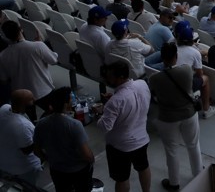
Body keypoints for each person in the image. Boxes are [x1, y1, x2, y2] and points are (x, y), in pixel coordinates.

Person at [148, 43, 202, 192]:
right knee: (193, 145)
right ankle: (198, 174)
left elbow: (153, 95)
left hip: (168, 117)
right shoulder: (185, 70)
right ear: (176, 56)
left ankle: (174, 183)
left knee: (171, 150)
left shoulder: (155, 79)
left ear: (162, 58)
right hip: (189, 114)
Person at [95, 62, 152, 192]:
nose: (107, 79)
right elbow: (131, 100)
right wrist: (114, 98)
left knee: (122, 179)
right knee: (143, 167)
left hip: (120, 147)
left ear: (120, 77)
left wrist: (99, 114)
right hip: (142, 140)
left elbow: (105, 127)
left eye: (110, 76)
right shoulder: (142, 84)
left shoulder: (115, 102)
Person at [34, 87, 95, 192]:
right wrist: (92, 159)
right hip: (78, 171)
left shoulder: (41, 123)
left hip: (57, 170)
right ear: (66, 104)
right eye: (72, 99)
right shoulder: (74, 125)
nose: (73, 101)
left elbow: (36, 150)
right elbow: (86, 154)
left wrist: (49, 159)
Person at [0, 20, 58, 115]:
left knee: (30, 123)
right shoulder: (37, 46)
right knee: (54, 116)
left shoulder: (2, 56)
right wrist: (41, 45)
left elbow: (4, 80)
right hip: (44, 91)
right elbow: (54, 60)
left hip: (22, 96)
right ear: (21, 30)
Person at [0, 89, 41, 186]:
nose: (34, 100)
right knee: (28, 187)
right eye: (31, 99)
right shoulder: (22, 126)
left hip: (5, 161)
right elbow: (27, 150)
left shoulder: (4, 108)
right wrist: (41, 137)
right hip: (24, 168)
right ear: (23, 105)